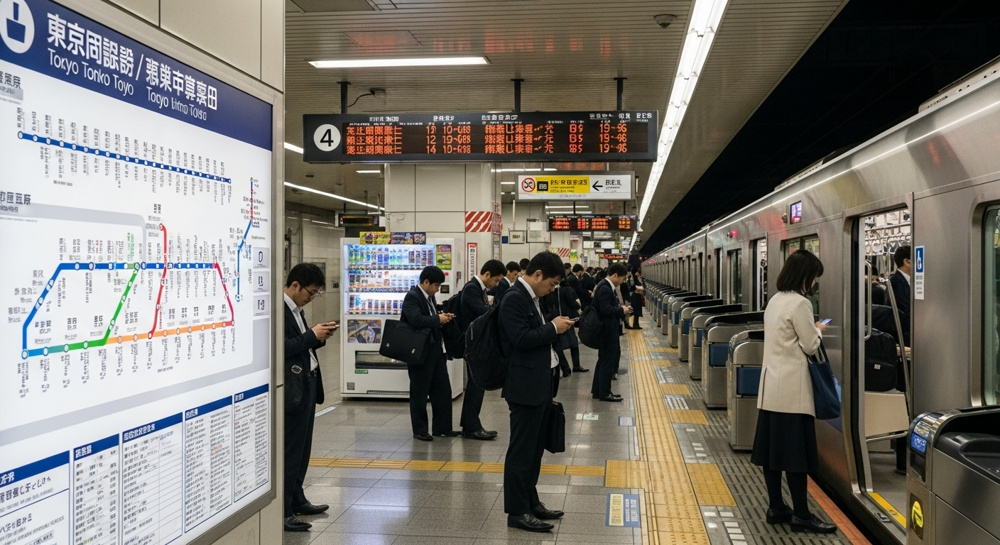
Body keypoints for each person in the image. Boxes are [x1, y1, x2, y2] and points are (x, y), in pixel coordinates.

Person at [751, 249, 837, 534]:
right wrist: (818, 329)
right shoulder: (801, 303)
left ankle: (776, 507)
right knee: (796, 457)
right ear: (805, 276)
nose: (814, 282)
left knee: (772, 454)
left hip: (771, 390)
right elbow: (811, 345)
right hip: (793, 392)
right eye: (814, 276)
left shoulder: (774, 301)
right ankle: (801, 514)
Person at [499, 252, 575, 532]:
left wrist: (552, 326)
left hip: (540, 384)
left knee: (533, 451)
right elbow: (520, 339)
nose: (552, 289)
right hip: (524, 388)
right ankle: (517, 511)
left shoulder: (532, 298)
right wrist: (553, 328)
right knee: (521, 452)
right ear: (538, 274)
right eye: (552, 284)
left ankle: (531, 502)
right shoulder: (514, 298)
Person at [282, 263, 336, 532]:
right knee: (291, 450)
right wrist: (311, 335)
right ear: (295, 285)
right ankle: (284, 510)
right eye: (310, 292)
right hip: (293, 389)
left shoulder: (297, 309)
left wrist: (319, 336)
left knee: (303, 449)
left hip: (308, 383)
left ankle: (298, 498)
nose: (311, 298)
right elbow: (281, 347)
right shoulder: (279, 310)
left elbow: (302, 344)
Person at [401, 266, 457, 441]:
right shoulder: (412, 297)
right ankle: (420, 430)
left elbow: (430, 317)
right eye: (436, 285)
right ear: (426, 282)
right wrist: (438, 319)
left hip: (436, 351)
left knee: (443, 390)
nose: (437, 289)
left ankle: (442, 427)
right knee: (419, 392)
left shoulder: (430, 298)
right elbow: (415, 320)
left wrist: (442, 316)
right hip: (420, 353)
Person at [458, 259, 507, 440]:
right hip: (473, 344)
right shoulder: (472, 288)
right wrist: (499, 311)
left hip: (476, 342)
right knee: (476, 385)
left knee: (476, 385)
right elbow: (482, 311)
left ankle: (470, 424)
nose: (496, 284)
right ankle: (472, 427)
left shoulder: (479, 288)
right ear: (487, 274)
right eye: (496, 280)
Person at [590, 264, 630, 402]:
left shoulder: (604, 286)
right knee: (607, 361)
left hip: (606, 329)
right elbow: (605, 310)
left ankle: (598, 391)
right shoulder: (605, 288)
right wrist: (621, 310)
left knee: (603, 360)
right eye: (622, 278)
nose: (622, 282)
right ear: (615, 275)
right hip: (607, 330)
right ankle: (605, 392)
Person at [889, 245, 911, 347]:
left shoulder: (911, 281)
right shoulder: (895, 282)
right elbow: (902, 311)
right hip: (904, 335)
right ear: (907, 261)